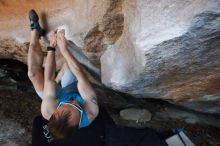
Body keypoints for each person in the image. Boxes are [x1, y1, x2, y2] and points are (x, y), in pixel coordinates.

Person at [27, 9, 99, 140]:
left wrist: (52, 47)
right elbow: (80, 76)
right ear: (78, 124)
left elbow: (48, 78)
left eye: (67, 104)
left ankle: (35, 30)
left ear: (56, 111)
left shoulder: (48, 109)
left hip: (58, 94)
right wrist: (64, 49)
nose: (72, 102)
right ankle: (62, 76)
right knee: (71, 64)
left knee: (33, 74)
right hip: (73, 87)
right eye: (75, 106)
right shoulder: (91, 111)